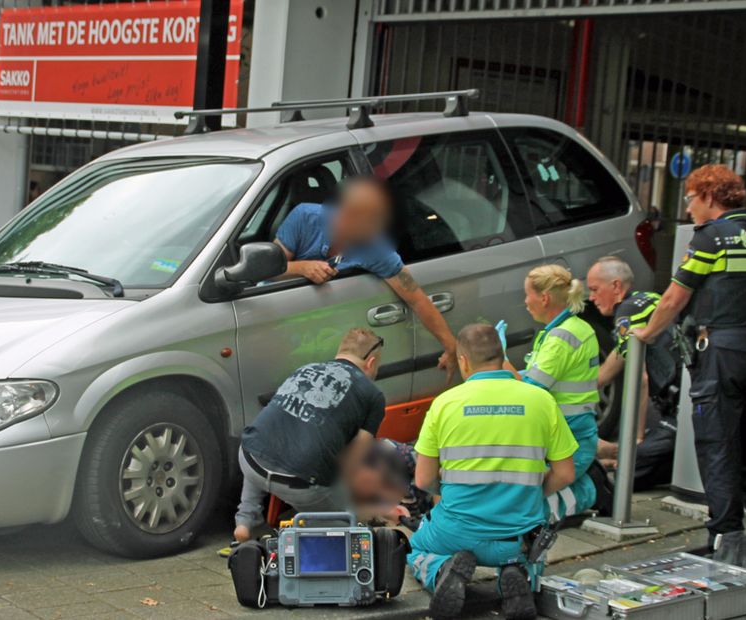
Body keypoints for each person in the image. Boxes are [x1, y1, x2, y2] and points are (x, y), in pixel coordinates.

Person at [632, 164, 746, 582]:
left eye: (690, 198)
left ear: (709, 197)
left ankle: (725, 544)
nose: (687, 208)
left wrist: (646, 334)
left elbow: (673, 298)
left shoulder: (709, 239)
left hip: (721, 355)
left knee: (718, 454)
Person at [407, 324, 577, 620]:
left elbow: (423, 479)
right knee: (531, 555)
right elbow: (565, 474)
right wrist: (533, 493)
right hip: (519, 534)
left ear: (463, 360)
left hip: (457, 532)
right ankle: (517, 576)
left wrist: (448, 492)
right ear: (501, 356)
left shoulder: (444, 404)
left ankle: (442, 571)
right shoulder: (541, 401)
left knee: (416, 547)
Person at [274, 176, 458, 378]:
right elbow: (269, 271)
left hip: (327, 335)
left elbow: (416, 298)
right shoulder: (304, 217)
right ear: (347, 214)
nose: (376, 229)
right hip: (281, 325)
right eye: (370, 220)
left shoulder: (376, 247)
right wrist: (301, 268)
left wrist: (451, 347)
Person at [233, 328, 386, 543]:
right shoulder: (373, 395)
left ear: (339, 352)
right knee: (346, 522)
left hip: (249, 459)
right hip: (301, 483)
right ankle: (316, 535)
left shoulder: (306, 369)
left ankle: (246, 521)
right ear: (370, 363)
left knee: (262, 445)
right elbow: (354, 459)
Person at [518, 265, 610, 519]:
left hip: (567, 436)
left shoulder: (561, 338)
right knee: (520, 501)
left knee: (527, 513)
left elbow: (530, 390)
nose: (525, 302)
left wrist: (497, 360)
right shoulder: (572, 328)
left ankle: (591, 490)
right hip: (570, 432)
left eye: (527, 295)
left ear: (544, 298)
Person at [586, 256, 682, 490]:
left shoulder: (626, 315)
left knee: (626, 477)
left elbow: (641, 381)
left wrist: (635, 440)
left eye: (595, 289)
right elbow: (621, 354)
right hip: (686, 404)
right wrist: (593, 382)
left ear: (616, 286)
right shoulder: (647, 299)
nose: (591, 298)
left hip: (681, 416)